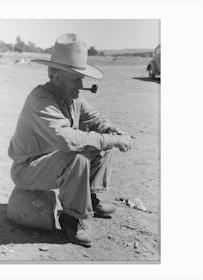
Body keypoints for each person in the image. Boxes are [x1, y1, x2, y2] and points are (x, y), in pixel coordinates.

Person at [8, 33, 132, 247]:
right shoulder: (41, 101)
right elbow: (67, 141)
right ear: (57, 78)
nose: (81, 84)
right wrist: (110, 140)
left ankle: (90, 198)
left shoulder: (71, 97)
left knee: (102, 143)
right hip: (28, 169)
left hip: (52, 161)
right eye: (76, 78)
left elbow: (96, 119)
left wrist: (113, 132)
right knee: (78, 155)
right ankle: (71, 218)